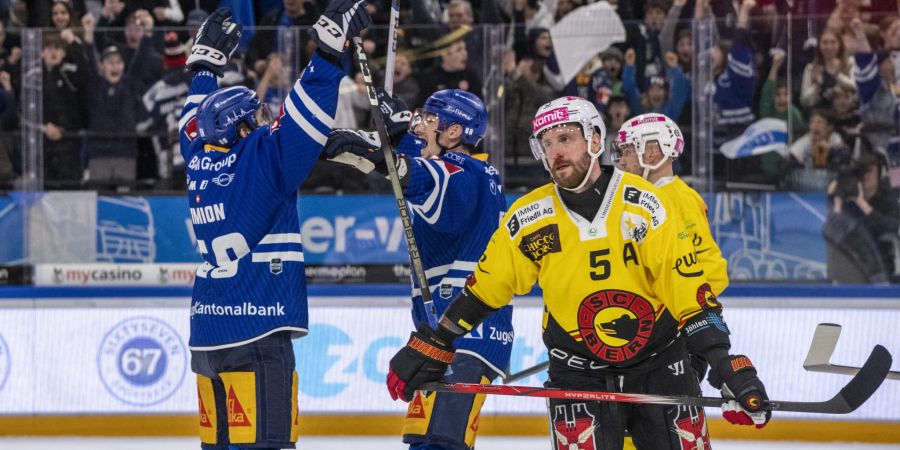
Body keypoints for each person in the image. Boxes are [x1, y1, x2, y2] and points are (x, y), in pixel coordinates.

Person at [386, 96, 771, 450]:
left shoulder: (645, 205)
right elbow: (486, 289)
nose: (556, 152)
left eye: (566, 138)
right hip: (576, 373)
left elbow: (687, 290)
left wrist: (724, 364)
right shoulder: (529, 216)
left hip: (659, 365)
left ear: (595, 140)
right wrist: (437, 340)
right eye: (546, 144)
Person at [178, 3, 369, 450]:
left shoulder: (197, 159)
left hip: (207, 336)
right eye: (260, 117)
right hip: (257, 335)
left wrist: (205, 67)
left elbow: (192, 121)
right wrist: (327, 51)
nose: (268, 121)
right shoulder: (264, 160)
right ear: (244, 129)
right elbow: (303, 120)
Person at [322, 89, 512, 450]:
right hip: (450, 336)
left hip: (465, 337)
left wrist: (381, 148)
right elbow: (415, 172)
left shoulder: (462, 170)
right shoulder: (476, 171)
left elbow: (416, 177)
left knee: (439, 444)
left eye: (426, 117)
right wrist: (398, 139)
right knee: (425, 442)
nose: (417, 122)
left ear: (454, 132)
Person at [613, 112, 730, 377]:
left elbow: (708, 268)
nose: (622, 160)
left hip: (678, 333)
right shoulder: (646, 198)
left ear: (652, 152)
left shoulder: (678, 199)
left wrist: (688, 318)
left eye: (628, 150)